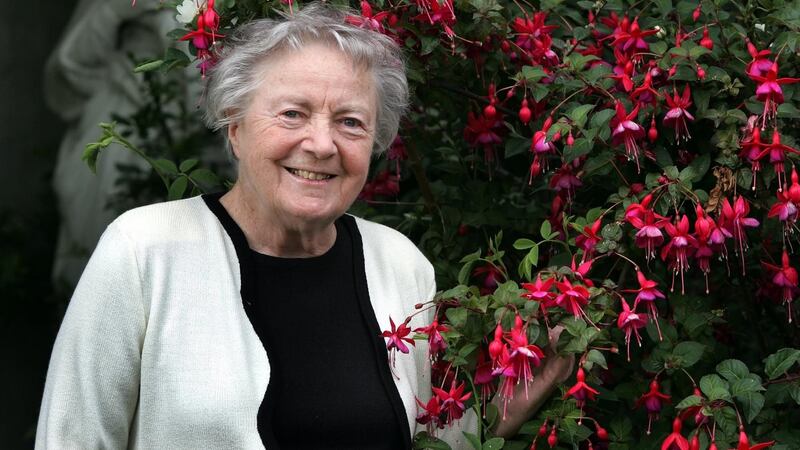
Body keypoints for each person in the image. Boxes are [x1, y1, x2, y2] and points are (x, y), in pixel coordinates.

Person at [36, 3, 571, 449]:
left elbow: (417, 439)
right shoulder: (144, 251)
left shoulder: (399, 263)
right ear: (235, 127)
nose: (321, 144)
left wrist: (497, 413)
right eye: (292, 113)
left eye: (350, 122)